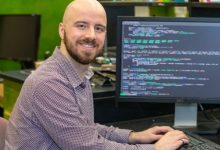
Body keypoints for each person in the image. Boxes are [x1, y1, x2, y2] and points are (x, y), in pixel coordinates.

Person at [5, 0, 189, 149]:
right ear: (62, 30)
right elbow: (88, 146)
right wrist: (156, 149)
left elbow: (83, 129)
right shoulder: (49, 83)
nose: (91, 35)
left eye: (99, 28)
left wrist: (134, 137)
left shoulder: (79, 74)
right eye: (82, 25)